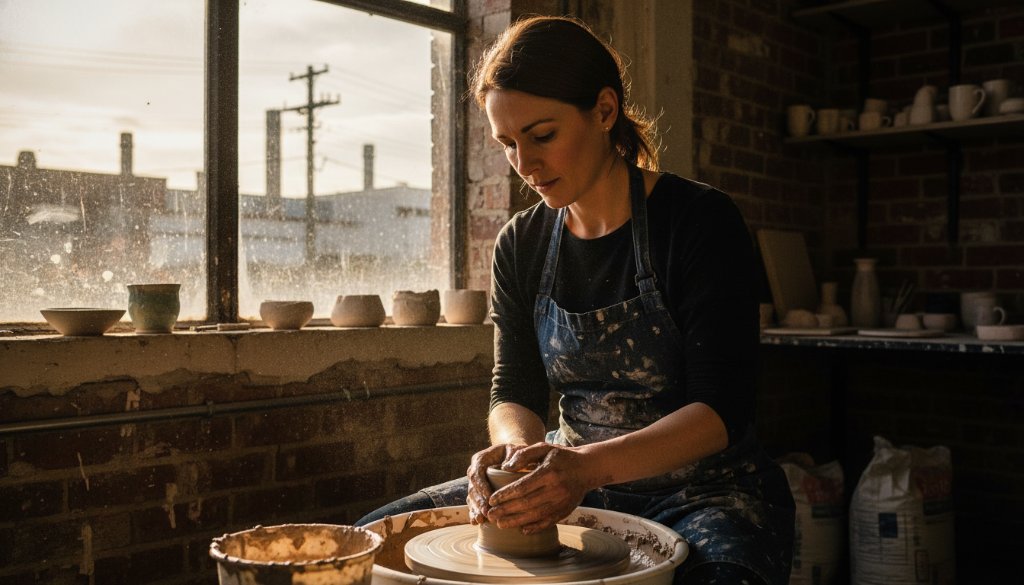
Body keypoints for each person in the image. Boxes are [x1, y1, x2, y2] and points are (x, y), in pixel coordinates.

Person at [357, 15, 794, 584]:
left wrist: (583, 469)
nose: (525, 164)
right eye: (507, 144)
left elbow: (721, 414)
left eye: (542, 136)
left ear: (605, 111)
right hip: (572, 480)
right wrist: (519, 459)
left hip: (706, 493)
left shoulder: (698, 222)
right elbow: (514, 388)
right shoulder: (522, 242)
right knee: (359, 549)